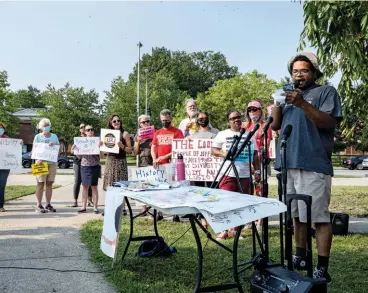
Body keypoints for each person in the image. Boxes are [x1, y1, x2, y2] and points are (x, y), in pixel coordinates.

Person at [271, 52, 342, 282]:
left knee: (318, 218)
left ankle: (322, 266)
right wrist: (276, 109)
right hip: (289, 161)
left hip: (313, 162)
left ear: (313, 72)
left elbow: (328, 122)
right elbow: (276, 127)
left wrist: (302, 103)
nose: (298, 75)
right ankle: (300, 255)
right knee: (296, 215)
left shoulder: (325, 92)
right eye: (294, 71)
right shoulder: (288, 95)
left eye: (303, 70)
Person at [211, 110, 261, 240]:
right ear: (229, 121)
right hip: (227, 174)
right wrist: (223, 154)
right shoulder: (223, 134)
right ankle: (223, 231)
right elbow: (213, 150)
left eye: (238, 117)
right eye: (233, 118)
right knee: (225, 203)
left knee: (241, 204)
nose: (237, 120)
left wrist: (257, 172)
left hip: (245, 175)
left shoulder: (250, 135)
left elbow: (255, 155)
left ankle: (236, 231)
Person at [242, 101, 273, 230]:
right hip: (246, 162)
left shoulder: (266, 126)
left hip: (261, 161)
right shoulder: (245, 126)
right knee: (247, 191)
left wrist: (260, 153)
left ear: (260, 110)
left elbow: (267, 143)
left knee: (260, 190)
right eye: (250, 110)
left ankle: (260, 221)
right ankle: (249, 219)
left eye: (255, 109)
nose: (252, 112)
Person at [151, 109, 184, 222]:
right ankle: (160, 212)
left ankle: (175, 214)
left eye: (167, 120)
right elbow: (153, 147)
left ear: (171, 119)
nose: (165, 122)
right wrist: (155, 158)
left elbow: (179, 148)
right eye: (163, 120)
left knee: (174, 189)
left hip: (173, 164)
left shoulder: (177, 132)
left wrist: (165, 157)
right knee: (160, 189)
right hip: (160, 165)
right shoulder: (157, 133)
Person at [188, 111, 219, 228]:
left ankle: (213, 215)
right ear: (197, 121)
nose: (203, 120)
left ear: (208, 118)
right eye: (200, 118)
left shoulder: (216, 132)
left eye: (205, 118)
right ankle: (202, 218)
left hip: (212, 169)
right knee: (199, 193)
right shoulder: (193, 135)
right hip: (198, 170)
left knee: (213, 192)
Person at [103, 114, 132, 215]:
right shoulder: (107, 134)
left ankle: (122, 208)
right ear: (111, 123)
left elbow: (130, 150)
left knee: (121, 186)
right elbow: (102, 155)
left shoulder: (124, 134)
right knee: (110, 186)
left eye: (118, 120)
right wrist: (100, 146)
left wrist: (122, 146)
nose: (116, 122)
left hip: (121, 162)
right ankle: (109, 208)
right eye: (114, 121)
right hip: (110, 161)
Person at [72, 125, 101, 214]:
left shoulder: (97, 141)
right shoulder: (81, 142)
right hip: (84, 166)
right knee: (84, 187)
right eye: (88, 130)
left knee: (94, 187)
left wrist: (100, 147)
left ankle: (95, 207)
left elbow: (102, 156)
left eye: (92, 129)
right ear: (85, 132)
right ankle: (83, 207)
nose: (90, 131)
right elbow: (79, 156)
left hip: (94, 166)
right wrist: (74, 150)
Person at [33, 118, 59, 213]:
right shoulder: (37, 137)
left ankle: (48, 204)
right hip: (40, 163)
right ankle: (38, 205)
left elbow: (58, 149)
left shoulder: (54, 136)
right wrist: (36, 159)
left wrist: (54, 144)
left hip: (52, 163)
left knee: (49, 184)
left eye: (48, 125)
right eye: (44, 126)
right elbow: (34, 149)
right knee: (40, 184)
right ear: (40, 127)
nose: (46, 127)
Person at [133, 114, 154, 214]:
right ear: (140, 124)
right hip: (142, 163)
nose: (146, 123)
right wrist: (137, 142)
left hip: (153, 162)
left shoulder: (155, 133)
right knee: (142, 187)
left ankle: (154, 208)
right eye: (143, 122)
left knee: (154, 186)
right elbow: (135, 152)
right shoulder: (137, 136)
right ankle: (144, 208)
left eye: (148, 121)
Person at [0, 123, 23, 212]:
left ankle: (0, 205)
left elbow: (14, 149)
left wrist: (19, 145)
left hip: (4, 166)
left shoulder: (7, 139)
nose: (0, 130)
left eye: (2, 128)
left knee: (1, 185)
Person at [72, 123, 93, 207]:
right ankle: (75, 201)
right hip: (78, 162)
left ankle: (90, 201)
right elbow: (73, 151)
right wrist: (72, 150)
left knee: (89, 182)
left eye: (85, 127)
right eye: (81, 127)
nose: (83, 128)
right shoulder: (77, 139)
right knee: (77, 181)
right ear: (80, 129)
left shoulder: (91, 139)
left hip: (88, 163)